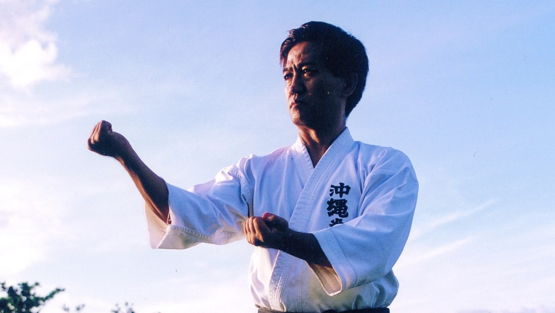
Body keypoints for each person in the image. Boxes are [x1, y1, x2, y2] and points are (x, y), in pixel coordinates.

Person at [88, 21, 418, 313]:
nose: (294, 86)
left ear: (346, 84)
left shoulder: (385, 165)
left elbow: (375, 249)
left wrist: (288, 240)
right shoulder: (256, 171)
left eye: (308, 71)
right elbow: (185, 212)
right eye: (288, 75)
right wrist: (125, 155)